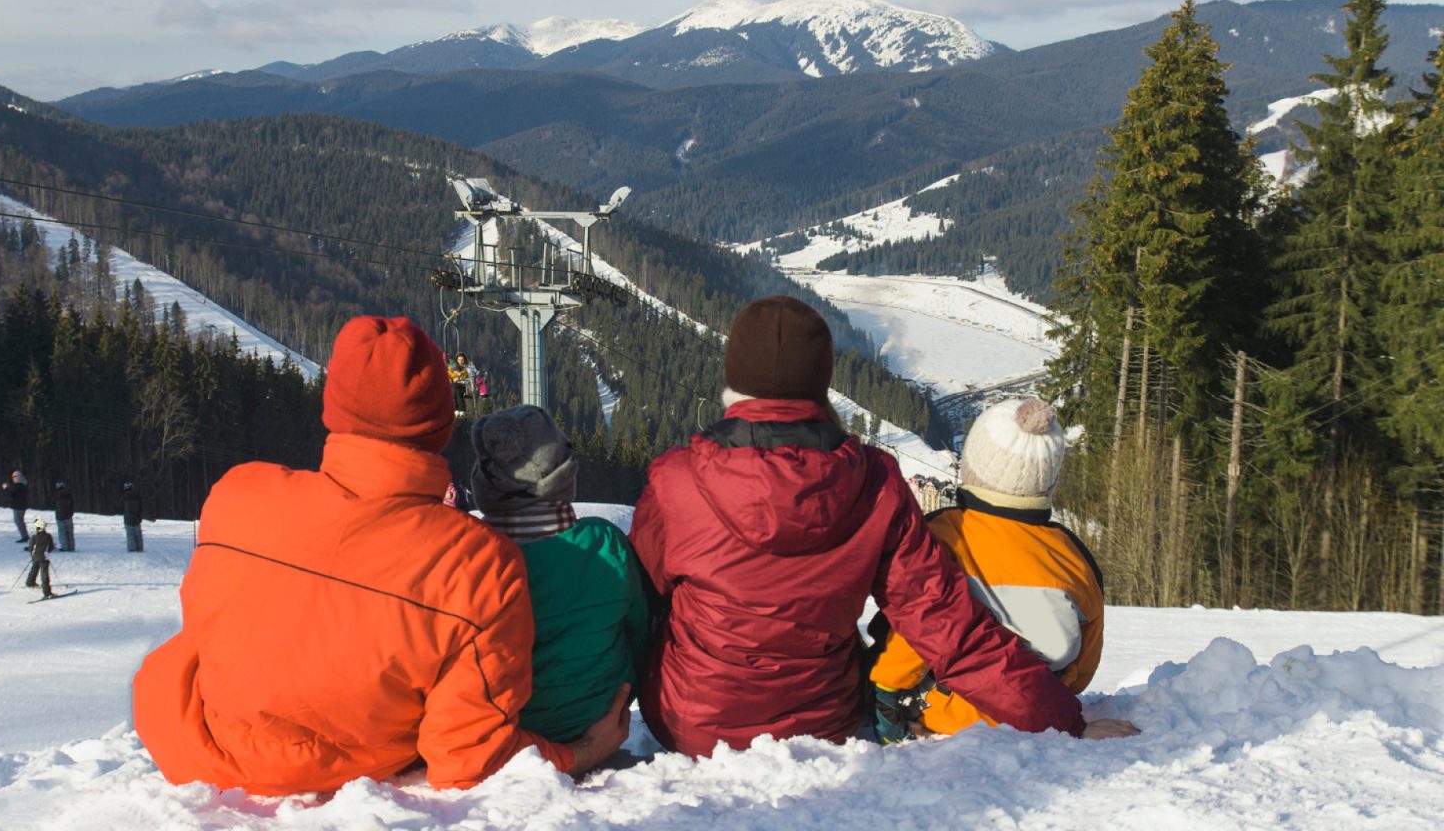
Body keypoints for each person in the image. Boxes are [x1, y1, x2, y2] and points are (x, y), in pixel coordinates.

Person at [132, 315, 629, 796]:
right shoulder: (477, 564)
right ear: (439, 425)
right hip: (349, 769)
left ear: (333, 407)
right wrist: (584, 751)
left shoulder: (237, 495)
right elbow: (467, 758)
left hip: (191, 741)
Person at [628, 296, 1135, 757]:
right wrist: (1060, 718)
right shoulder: (873, 481)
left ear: (733, 383)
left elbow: (636, 607)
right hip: (823, 724)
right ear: (821, 383)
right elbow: (946, 625)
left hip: (687, 724)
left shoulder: (676, 481)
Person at [870, 397, 1107, 741]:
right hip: (1038, 716)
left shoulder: (945, 534)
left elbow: (916, 628)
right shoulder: (1073, 558)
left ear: (972, 466)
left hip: (943, 712)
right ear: (1049, 481)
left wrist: (886, 685)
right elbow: (1084, 662)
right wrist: (1058, 699)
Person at [471, 404, 651, 742]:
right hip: (598, 720)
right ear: (564, 476)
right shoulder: (603, 541)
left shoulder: (471, 556)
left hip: (504, 729)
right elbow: (640, 633)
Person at [25, 518, 56, 599]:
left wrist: (32, 555)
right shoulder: (48, 536)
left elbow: (30, 547)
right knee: (44, 574)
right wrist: (47, 552)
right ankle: (47, 592)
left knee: (34, 569)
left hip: (35, 556)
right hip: (44, 557)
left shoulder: (34, 537)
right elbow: (51, 547)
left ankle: (30, 582)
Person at [2, 470, 30, 542]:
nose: (13, 478)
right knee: (20, 521)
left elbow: (11, 494)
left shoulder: (18, 485)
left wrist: (6, 488)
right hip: (22, 505)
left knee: (18, 521)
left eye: (14, 477)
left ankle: (24, 536)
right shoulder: (23, 484)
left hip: (18, 506)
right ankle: (25, 535)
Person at [54, 480, 76, 552]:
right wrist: (71, 513)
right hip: (68, 515)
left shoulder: (56, 495)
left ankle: (65, 547)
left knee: (62, 532)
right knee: (70, 532)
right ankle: (71, 547)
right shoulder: (69, 494)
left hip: (60, 516)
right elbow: (72, 505)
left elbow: (53, 505)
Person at [121, 481, 143, 552]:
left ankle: (132, 550)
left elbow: (120, 508)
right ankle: (140, 549)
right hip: (136, 519)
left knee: (130, 536)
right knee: (138, 536)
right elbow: (140, 508)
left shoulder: (124, 497)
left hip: (128, 519)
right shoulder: (137, 496)